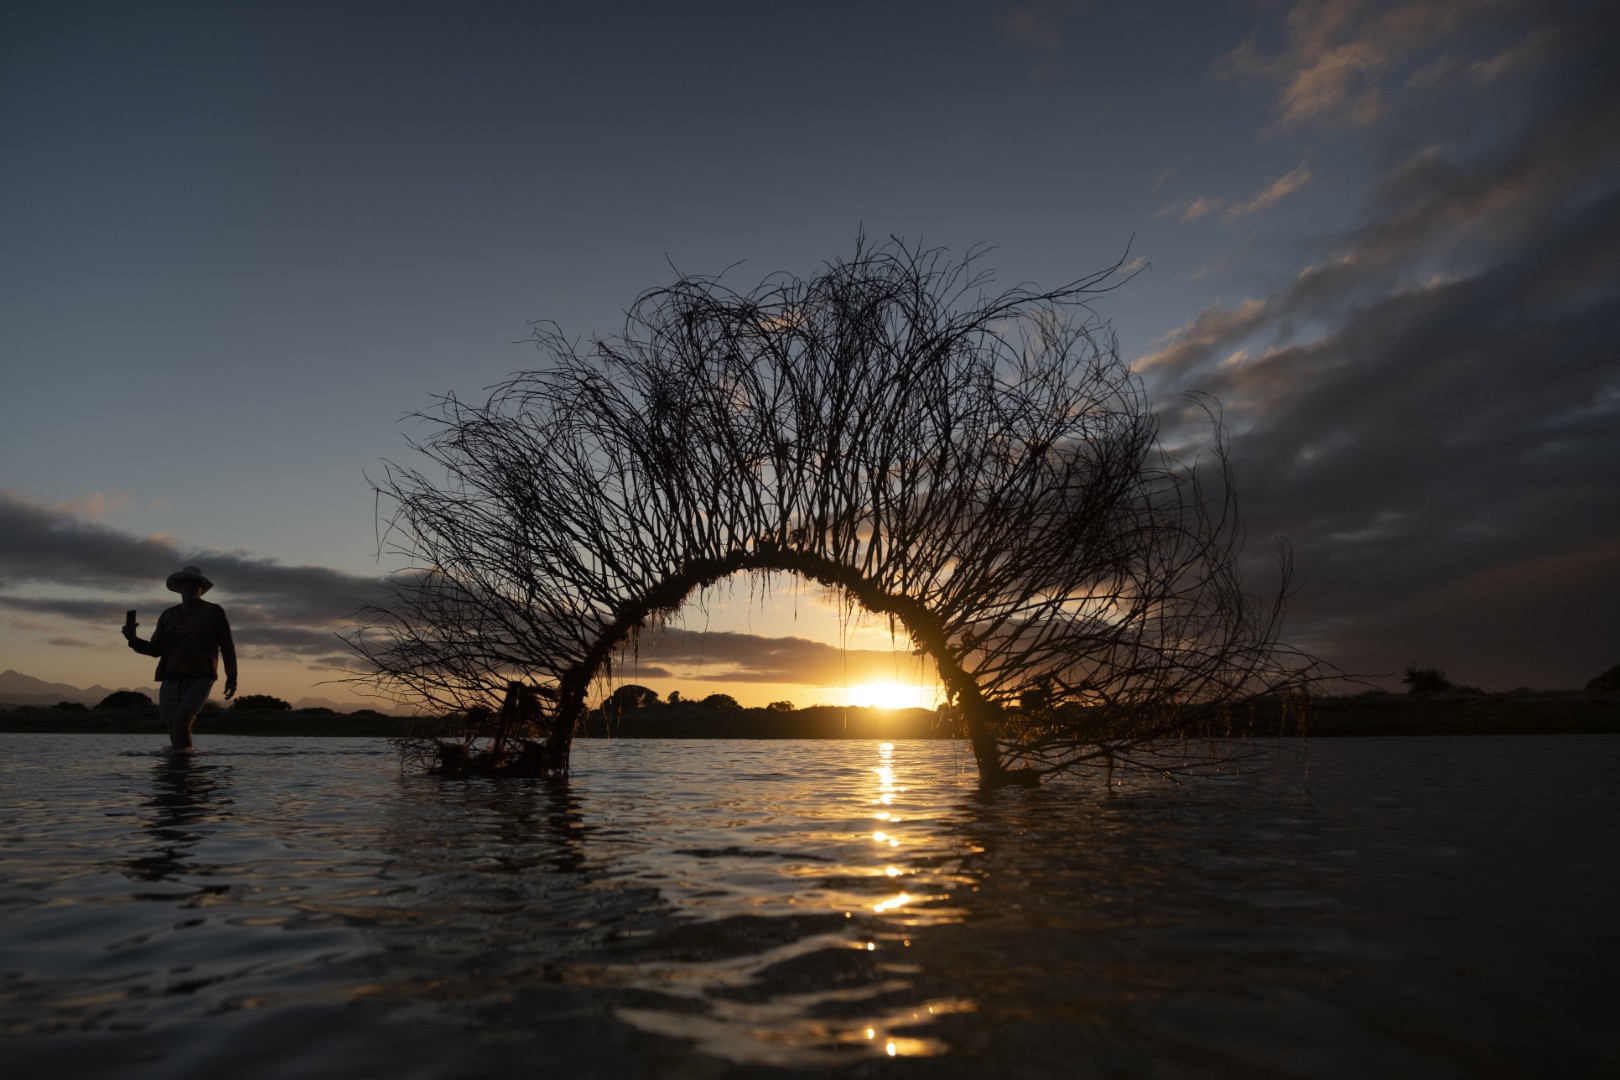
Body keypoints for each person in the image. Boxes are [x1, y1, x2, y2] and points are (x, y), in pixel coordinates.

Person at [123, 566, 237, 754]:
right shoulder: (168, 615)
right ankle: (180, 765)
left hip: (201, 676)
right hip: (170, 676)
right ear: (179, 587)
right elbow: (156, 649)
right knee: (173, 726)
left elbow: (227, 645)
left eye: (196, 584)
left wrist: (231, 677)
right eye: (187, 583)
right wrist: (133, 640)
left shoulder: (214, 611)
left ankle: (183, 764)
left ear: (201, 588)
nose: (191, 587)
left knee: (181, 721)